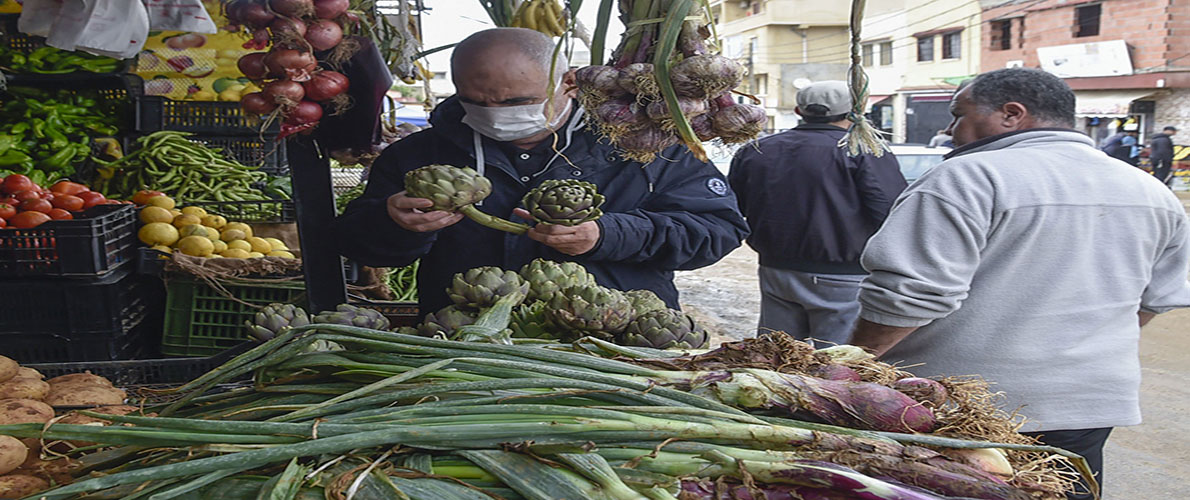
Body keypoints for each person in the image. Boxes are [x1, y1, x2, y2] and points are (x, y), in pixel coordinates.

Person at [849, 68, 1190, 500]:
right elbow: (1156, 300)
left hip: (960, 409)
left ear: (1012, 114)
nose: (950, 130)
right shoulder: (1151, 191)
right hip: (1086, 406)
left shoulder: (966, 177)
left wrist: (855, 366)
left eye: (959, 115)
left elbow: (910, 295)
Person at [333, 28, 749, 317]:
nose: (495, 115)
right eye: (476, 101)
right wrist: (393, 224)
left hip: (616, 343)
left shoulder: (645, 145)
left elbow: (718, 230)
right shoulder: (415, 156)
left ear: (568, 82)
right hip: (468, 344)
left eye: (518, 101)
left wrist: (609, 235)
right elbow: (356, 243)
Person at [727, 81, 907, 345]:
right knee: (836, 366)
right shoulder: (863, 150)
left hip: (775, 269)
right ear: (855, 111)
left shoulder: (757, 150)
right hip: (844, 276)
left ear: (799, 110)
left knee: (776, 358)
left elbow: (734, 206)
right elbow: (892, 212)